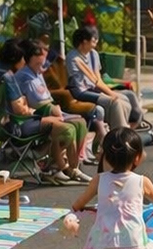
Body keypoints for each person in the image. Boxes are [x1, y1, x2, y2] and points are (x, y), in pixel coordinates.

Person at [6, 41, 91, 184]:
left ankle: (73, 168)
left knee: (81, 123)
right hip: (31, 118)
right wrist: (51, 110)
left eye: (42, 63)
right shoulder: (22, 77)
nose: (42, 68)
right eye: (38, 64)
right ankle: (56, 167)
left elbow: (45, 98)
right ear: (27, 60)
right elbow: (27, 106)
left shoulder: (37, 73)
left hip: (43, 113)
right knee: (67, 130)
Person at [67, 25, 151, 141]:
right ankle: (119, 133)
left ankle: (133, 125)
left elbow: (98, 79)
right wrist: (111, 94)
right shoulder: (73, 57)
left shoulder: (93, 54)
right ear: (84, 41)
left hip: (94, 87)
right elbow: (91, 79)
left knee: (128, 97)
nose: (96, 41)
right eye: (93, 39)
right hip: (81, 91)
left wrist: (110, 91)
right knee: (115, 102)